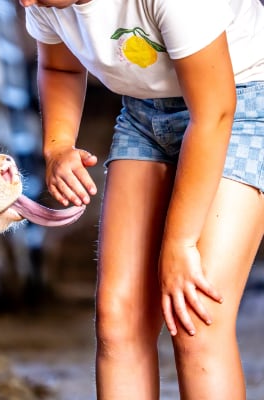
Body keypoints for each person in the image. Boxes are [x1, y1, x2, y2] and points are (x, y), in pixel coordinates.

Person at [17, 0, 264, 398]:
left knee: (198, 321)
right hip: (144, 111)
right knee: (118, 322)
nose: (27, 2)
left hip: (238, 102)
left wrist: (180, 243)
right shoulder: (44, 2)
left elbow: (215, 113)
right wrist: (58, 146)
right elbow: (60, 67)